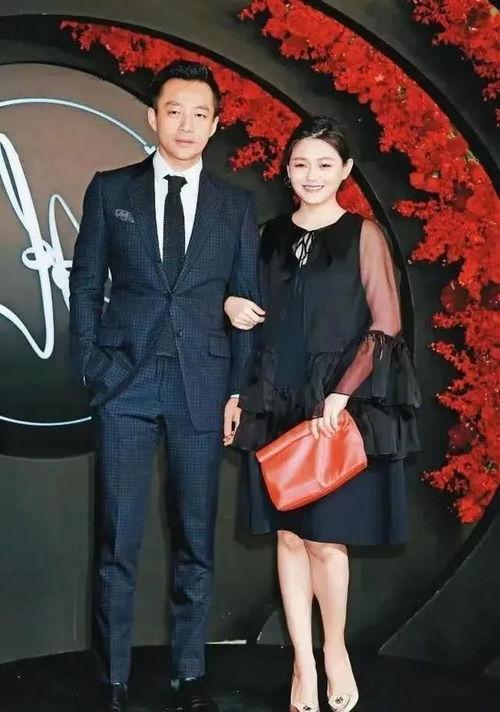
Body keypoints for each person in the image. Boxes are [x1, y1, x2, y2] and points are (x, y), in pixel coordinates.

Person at [69, 60, 260, 712]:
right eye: (174, 111)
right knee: (116, 540)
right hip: (124, 383)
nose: (186, 124)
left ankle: (190, 674)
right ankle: (113, 680)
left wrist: (236, 391)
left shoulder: (235, 205)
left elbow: (246, 302)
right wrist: (93, 367)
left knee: (195, 540)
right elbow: (84, 284)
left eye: (199, 114)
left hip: (200, 385)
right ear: (153, 117)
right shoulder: (111, 190)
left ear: (215, 124)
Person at [224, 116, 420, 712]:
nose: (311, 176)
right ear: (286, 170)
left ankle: (335, 652)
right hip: (275, 398)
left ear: (346, 171)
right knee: (288, 537)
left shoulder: (364, 234)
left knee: (328, 542)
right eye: (301, 164)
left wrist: (341, 393)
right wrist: (236, 374)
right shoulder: (267, 235)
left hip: (336, 407)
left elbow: (386, 324)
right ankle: (302, 666)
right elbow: (245, 318)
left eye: (324, 165)